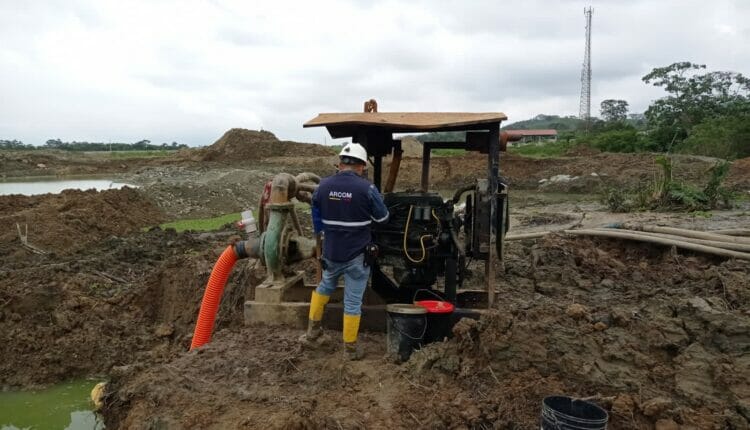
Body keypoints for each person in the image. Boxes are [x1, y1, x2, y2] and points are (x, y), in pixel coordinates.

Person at [303, 142, 389, 360]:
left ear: (340, 163)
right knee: (352, 301)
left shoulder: (322, 186)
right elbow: (382, 218)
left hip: (331, 252)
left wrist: (322, 234)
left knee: (323, 287)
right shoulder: (367, 189)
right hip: (357, 255)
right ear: (361, 166)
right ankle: (350, 349)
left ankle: (312, 333)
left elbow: (316, 214)